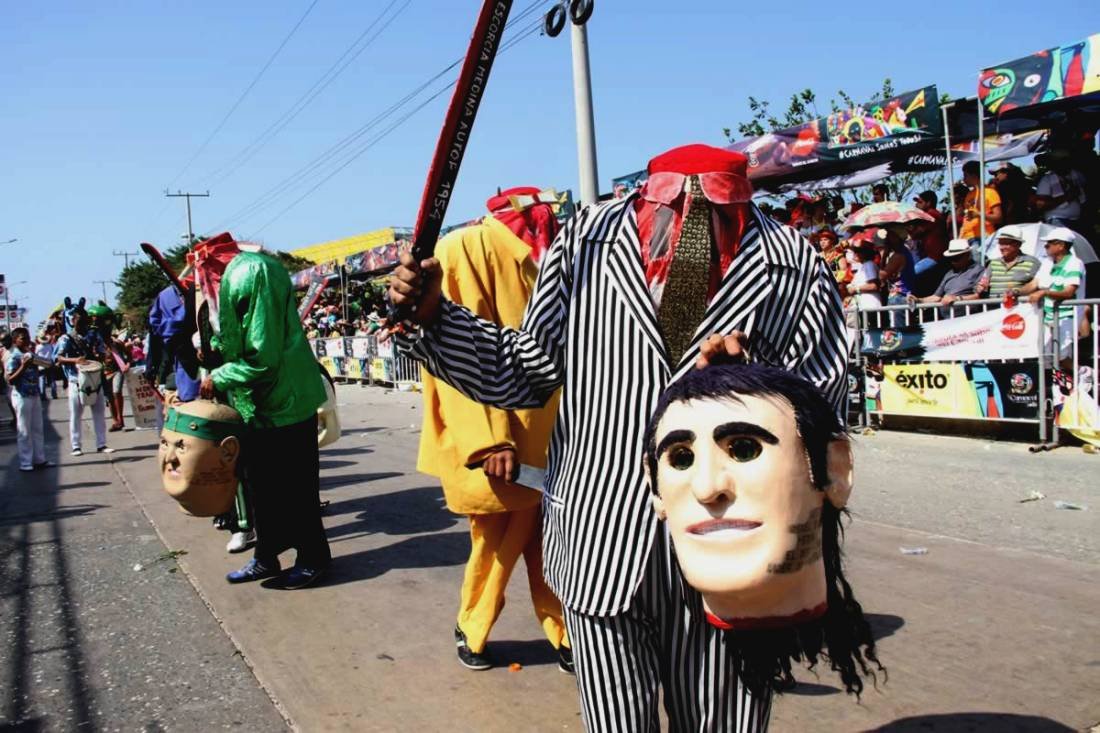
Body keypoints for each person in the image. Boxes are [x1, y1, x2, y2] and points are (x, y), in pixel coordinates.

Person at [390, 144, 848, 731]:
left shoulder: (789, 261)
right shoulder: (586, 242)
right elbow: (524, 371)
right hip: (599, 539)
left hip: (730, 548)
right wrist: (435, 318)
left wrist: (756, 384)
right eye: (676, 210)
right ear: (644, 195)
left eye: (714, 213)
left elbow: (825, 404)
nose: (692, 230)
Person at [418, 187, 571, 674]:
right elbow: (458, 352)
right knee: (494, 544)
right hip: (496, 442)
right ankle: (473, 626)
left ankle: (567, 634)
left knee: (553, 542)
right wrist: (490, 439)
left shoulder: (551, 256)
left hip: (551, 438)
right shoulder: (465, 247)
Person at [200, 248, 331, 591]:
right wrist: (214, 345)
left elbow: (263, 355)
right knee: (262, 489)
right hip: (259, 406)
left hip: (285, 403)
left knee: (297, 490)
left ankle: (313, 560)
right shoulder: (231, 281)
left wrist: (220, 376)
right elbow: (238, 335)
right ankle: (267, 556)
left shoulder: (254, 273)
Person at [1014, 227, 1087, 365]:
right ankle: (1063, 383)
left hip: (1068, 315)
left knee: (1062, 354)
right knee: (1045, 353)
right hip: (1047, 315)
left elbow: (1069, 292)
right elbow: (1034, 284)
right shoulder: (1047, 263)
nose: (1045, 246)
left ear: (1061, 246)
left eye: (1049, 243)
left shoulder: (1075, 263)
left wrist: (1044, 292)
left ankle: (1081, 373)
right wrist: (1016, 291)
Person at [55, 305, 113, 457]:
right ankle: (76, 445)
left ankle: (101, 444)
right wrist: (75, 360)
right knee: (76, 414)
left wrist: (101, 355)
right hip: (76, 380)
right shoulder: (66, 338)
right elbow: (58, 358)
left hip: (95, 378)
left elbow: (101, 352)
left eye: (82, 320)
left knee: (99, 413)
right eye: (76, 320)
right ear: (72, 321)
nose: (80, 323)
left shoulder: (94, 335)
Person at [5, 327, 51, 472]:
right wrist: (24, 366)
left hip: (34, 394)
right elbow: (10, 380)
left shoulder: (29, 354)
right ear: (15, 340)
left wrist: (39, 364)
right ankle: (25, 462)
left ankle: (40, 459)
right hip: (21, 395)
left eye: (27, 337)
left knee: (37, 428)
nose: (26, 341)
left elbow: (47, 365)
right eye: (22, 338)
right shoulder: (14, 356)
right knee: (24, 430)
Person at [909, 238, 985, 309]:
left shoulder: (979, 271)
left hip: (969, 318)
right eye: (951, 258)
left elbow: (979, 296)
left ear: (967, 255)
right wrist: (919, 300)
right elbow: (936, 297)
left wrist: (958, 299)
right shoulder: (949, 273)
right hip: (948, 319)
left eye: (957, 258)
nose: (953, 262)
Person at [976, 225, 1040, 299]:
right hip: (994, 308)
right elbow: (981, 285)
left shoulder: (1032, 263)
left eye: (1006, 243)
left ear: (1018, 244)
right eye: (1000, 243)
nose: (1001, 247)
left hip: (1020, 307)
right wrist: (979, 288)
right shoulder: (993, 263)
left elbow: (1039, 285)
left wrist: (1016, 293)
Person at [1034, 150, 1087, 232]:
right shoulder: (1046, 180)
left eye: (1066, 161)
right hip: (1057, 220)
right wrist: (1067, 197)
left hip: (1077, 219)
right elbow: (1041, 205)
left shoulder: (1076, 175)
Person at [959, 161, 1002, 242]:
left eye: (965, 175)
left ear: (974, 176)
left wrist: (979, 215)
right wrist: (960, 237)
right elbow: (966, 219)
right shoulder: (969, 194)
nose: (964, 179)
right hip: (966, 238)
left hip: (982, 237)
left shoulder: (990, 192)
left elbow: (998, 217)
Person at [911, 190, 948, 262]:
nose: (916, 205)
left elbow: (916, 234)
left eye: (920, 202)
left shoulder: (931, 215)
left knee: (913, 272)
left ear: (928, 203)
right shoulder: (931, 214)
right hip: (930, 255)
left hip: (934, 257)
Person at [846, 243, 882, 310]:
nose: (855, 254)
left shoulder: (869, 264)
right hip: (864, 306)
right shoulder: (863, 266)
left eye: (858, 252)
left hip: (871, 305)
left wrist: (855, 289)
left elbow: (874, 285)